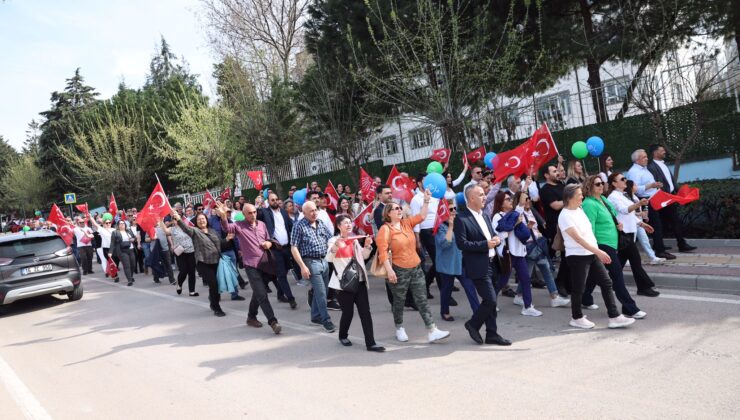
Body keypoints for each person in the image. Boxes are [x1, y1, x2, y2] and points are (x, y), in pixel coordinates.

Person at [376, 189, 450, 344]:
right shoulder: (385, 229)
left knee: (421, 299)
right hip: (398, 270)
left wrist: (427, 201)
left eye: (400, 207)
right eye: (396, 208)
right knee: (399, 300)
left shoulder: (406, 223)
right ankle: (399, 327)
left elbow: (422, 216)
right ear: (388, 213)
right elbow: (382, 253)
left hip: (415, 267)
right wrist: (389, 271)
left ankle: (432, 330)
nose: (399, 210)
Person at [558, 183, 635, 329]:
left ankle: (614, 317)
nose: (582, 196)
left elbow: (588, 232)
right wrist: (599, 251)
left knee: (606, 283)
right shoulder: (565, 215)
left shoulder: (579, 209)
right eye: (579, 194)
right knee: (578, 288)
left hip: (591, 253)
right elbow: (578, 239)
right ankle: (576, 317)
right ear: (570, 197)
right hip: (577, 256)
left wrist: (596, 250)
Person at [580, 175, 646, 319]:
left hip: (612, 242)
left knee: (595, 274)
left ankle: (584, 298)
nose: (601, 186)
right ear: (589, 186)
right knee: (616, 275)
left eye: (602, 183)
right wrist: (594, 249)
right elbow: (588, 227)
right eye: (597, 184)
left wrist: (618, 225)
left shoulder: (603, 199)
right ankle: (630, 308)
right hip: (601, 243)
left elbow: (613, 215)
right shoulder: (589, 204)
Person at [454, 185, 511, 345]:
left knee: (492, 302)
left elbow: (491, 234)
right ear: (471, 198)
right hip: (478, 266)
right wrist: (485, 244)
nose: (484, 197)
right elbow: (462, 244)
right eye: (480, 194)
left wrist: (496, 238)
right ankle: (473, 324)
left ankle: (492, 334)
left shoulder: (484, 216)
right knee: (490, 300)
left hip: (493, 263)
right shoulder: (462, 218)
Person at [217, 203, 282, 334]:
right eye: (249, 213)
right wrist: (223, 216)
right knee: (262, 294)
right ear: (244, 214)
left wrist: (268, 243)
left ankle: (251, 317)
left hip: (265, 264)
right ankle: (273, 322)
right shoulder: (239, 225)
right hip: (251, 265)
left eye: (254, 212)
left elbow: (269, 239)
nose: (253, 215)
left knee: (258, 293)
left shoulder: (262, 225)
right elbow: (227, 228)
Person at [326, 215, 384, 352]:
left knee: (365, 312)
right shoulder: (333, 240)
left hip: (359, 280)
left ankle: (371, 343)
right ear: (339, 226)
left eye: (350, 222)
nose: (349, 225)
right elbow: (328, 258)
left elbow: (363, 257)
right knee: (348, 312)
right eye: (345, 223)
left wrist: (368, 246)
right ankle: (342, 335)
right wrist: (336, 245)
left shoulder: (354, 240)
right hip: (343, 283)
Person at [513, 191, 571, 308]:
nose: (528, 200)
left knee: (545, 270)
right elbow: (521, 229)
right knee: (527, 274)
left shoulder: (530, 212)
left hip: (537, 245)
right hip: (529, 247)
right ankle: (519, 295)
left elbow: (534, 228)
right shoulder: (517, 213)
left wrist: (537, 232)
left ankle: (554, 297)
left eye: (529, 198)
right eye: (526, 199)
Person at [607, 172, 661, 297]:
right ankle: (644, 287)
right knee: (636, 261)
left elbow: (630, 215)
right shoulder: (613, 197)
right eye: (622, 179)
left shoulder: (623, 195)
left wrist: (642, 224)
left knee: (620, 262)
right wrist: (639, 204)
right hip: (623, 233)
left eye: (625, 178)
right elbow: (624, 211)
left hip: (631, 231)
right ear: (614, 183)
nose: (625, 180)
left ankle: (607, 281)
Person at [491, 191, 541, 316]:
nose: (510, 201)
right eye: (507, 199)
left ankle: (528, 306)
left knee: (525, 279)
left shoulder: (515, 214)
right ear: (501, 203)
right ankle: (491, 303)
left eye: (511, 199)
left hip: (520, 252)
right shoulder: (498, 216)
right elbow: (500, 235)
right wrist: (514, 224)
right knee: (503, 281)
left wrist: (526, 227)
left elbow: (521, 205)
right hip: (508, 253)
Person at [291, 201, 337, 333]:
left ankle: (316, 316)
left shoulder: (321, 223)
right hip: (311, 263)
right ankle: (326, 320)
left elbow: (330, 239)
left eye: (315, 209)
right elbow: (294, 248)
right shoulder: (298, 226)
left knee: (323, 292)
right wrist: (302, 266)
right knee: (321, 293)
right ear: (303, 213)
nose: (314, 212)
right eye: (310, 211)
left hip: (325, 261)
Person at [171, 210, 226, 317]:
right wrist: (178, 219)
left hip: (216, 261)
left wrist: (227, 239)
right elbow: (186, 229)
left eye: (203, 219)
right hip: (203, 262)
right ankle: (216, 307)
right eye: (199, 219)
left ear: (207, 220)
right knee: (213, 284)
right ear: (196, 222)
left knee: (216, 285)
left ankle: (213, 299)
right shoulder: (195, 231)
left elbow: (220, 244)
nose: (201, 221)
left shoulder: (213, 231)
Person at [435, 199, 480, 322]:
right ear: (443, 211)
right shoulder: (440, 227)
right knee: (447, 289)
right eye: (451, 209)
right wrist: (450, 227)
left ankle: (478, 312)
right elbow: (445, 244)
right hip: (447, 264)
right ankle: (444, 311)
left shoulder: (460, 223)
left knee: (470, 287)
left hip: (461, 263)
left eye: (455, 208)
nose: (454, 211)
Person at [646, 144, 697, 253]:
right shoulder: (651, 167)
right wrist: (666, 196)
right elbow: (655, 184)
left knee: (665, 223)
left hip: (669, 197)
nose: (665, 152)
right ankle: (680, 244)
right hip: (662, 198)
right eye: (662, 150)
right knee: (673, 221)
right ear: (655, 153)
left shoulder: (664, 165)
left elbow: (670, 181)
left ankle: (660, 245)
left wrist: (678, 193)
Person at [626, 148, 676, 260]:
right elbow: (635, 189)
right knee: (655, 225)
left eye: (646, 156)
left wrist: (655, 185)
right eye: (644, 157)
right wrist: (651, 186)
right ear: (637, 160)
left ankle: (659, 245)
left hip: (654, 198)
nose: (647, 158)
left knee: (659, 223)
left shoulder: (644, 169)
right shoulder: (634, 172)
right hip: (645, 200)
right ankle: (660, 251)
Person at [258, 192, 298, 309]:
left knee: (285, 271)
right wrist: (259, 205)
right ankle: (291, 298)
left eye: (276, 199)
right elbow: (257, 215)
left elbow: (290, 227)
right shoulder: (265, 212)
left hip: (287, 248)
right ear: (268, 202)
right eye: (272, 200)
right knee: (281, 274)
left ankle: (280, 294)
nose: (275, 201)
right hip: (275, 248)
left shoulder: (284, 213)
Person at [539, 163, 569, 297]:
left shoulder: (562, 186)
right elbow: (556, 205)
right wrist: (570, 200)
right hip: (555, 228)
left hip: (568, 224)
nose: (557, 172)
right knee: (553, 255)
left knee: (567, 256)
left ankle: (564, 283)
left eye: (557, 170)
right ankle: (558, 283)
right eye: (553, 171)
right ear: (546, 175)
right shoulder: (545, 189)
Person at [410, 173, 441, 298]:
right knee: (437, 259)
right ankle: (444, 292)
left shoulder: (435, 196)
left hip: (438, 229)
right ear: (419, 183)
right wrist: (417, 239)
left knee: (439, 260)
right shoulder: (416, 199)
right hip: (426, 231)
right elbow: (416, 219)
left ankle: (427, 284)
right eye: (425, 180)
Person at [625, 179, 665, 265]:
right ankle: (626, 259)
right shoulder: (626, 197)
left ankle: (653, 257)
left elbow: (640, 208)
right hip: (632, 223)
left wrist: (644, 213)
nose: (637, 187)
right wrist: (640, 213)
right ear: (630, 187)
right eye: (635, 185)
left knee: (645, 240)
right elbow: (627, 211)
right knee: (631, 242)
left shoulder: (635, 196)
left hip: (639, 223)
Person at [163, 216, 198, 297]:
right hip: (180, 252)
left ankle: (192, 291)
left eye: (177, 219)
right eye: (174, 219)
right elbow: (166, 231)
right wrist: (161, 221)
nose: (176, 221)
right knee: (183, 271)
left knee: (192, 272)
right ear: (172, 221)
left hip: (191, 251)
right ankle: (179, 284)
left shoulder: (188, 227)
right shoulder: (172, 229)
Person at [109, 220, 137, 286]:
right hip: (122, 251)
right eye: (120, 223)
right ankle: (129, 280)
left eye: (123, 223)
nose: (122, 225)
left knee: (133, 265)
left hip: (131, 249)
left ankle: (131, 276)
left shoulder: (129, 231)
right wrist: (110, 252)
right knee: (126, 265)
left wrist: (133, 239)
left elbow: (134, 238)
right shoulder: (115, 232)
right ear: (118, 225)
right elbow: (112, 243)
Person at [153, 217, 176, 284]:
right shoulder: (151, 229)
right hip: (156, 250)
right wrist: (152, 238)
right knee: (157, 264)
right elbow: (146, 239)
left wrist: (171, 245)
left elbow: (168, 236)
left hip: (165, 249)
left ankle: (172, 280)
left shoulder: (164, 228)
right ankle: (156, 278)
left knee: (168, 264)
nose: (158, 221)